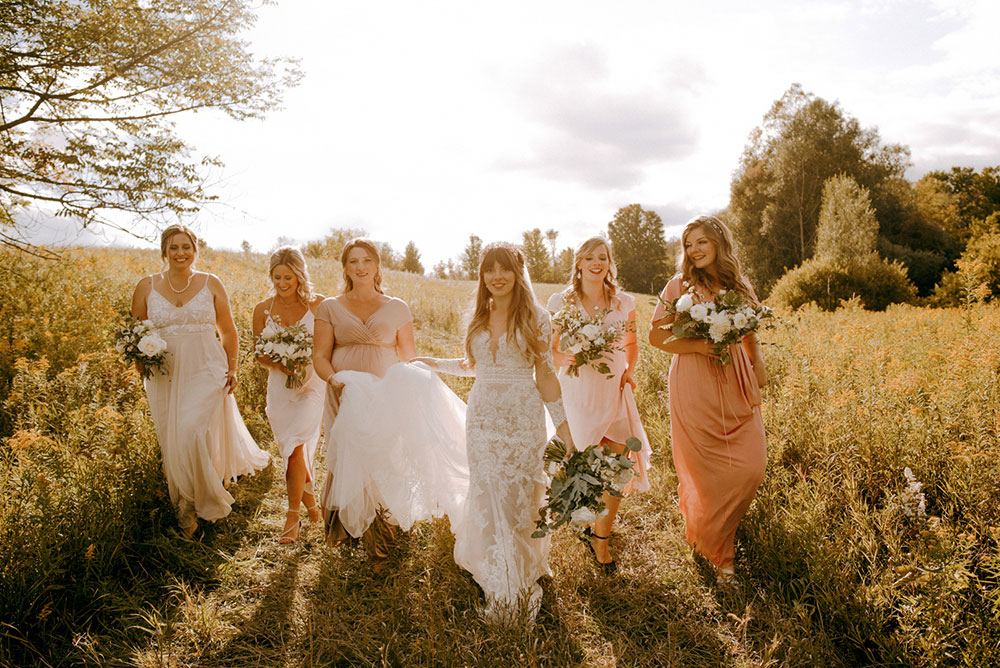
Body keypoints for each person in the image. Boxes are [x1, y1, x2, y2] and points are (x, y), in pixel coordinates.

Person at [415, 242, 575, 620]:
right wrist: (431, 363)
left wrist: (564, 426)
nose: (497, 277)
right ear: (482, 275)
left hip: (522, 417)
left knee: (520, 493)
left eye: (505, 269)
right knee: (488, 492)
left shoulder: (536, 316)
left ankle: (521, 568)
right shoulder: (478, 315)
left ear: (519, 274)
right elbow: (474, 365)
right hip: (483, 418)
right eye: (490, 270)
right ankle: (498, 573)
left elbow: (546, 373)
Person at [648, 215, 768, 585]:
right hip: (695, 379)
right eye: (688, 244)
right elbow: (656, 336)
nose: (694, 250)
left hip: (736, 377)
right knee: (704, 472)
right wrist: (701, 345)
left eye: (701, 241)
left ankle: (712, 528)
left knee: (752, 466)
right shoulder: (679, 285)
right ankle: (720, 554)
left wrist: (758, 363)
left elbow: (749, 331)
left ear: (719, 243)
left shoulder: (739, 283)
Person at [130, 224, 270, 538]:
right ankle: (188, 496)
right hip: (164, 371)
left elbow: (229, 331)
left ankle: (190, 510)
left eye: (186, 247)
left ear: (195, 250)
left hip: (207, 366)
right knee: (174, 438)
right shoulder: (146, 286)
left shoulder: (211, 283)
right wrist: (141, 362)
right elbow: (135, 331)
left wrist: (232, 368)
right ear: (164, 251)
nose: (180, 253)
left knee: (190, 432)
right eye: (174, 247)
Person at [546, 236, 652, 573]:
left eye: (602, 257)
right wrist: (568, 354)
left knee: (617, 467)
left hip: (614, 390)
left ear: (609, 263)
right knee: (584, 464)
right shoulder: (561, 301)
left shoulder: (624, 303)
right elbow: (550, 351)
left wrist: (630, 371)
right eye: (589, 257)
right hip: (578, 390)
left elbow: (632, 342)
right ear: (578, 263)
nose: (597, 263)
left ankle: (601, 540)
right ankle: (585, 519)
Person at [312, 238, 418, 565]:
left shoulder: (397, 307)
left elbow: (408, 357)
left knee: (383, 454)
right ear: (345, 267)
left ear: (377, 265)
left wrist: (402, 391)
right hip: (343, 392)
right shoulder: (329, 307)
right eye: (353, 261)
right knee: (347, 453)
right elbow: (319, 355)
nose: (360, 267)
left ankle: (383, 533)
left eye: (367, 260)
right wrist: (336, 380)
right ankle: (345, 529)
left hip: (384, 394)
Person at [252, 246, 326, 544]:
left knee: (296, 446)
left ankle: (291, 515)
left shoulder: (319, 305)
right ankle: (313, 508)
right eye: (277, 277)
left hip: (313, 384)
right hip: (280, 387)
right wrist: (281, 362)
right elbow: (258, 353)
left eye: (288, 277)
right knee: (292, 448)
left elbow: (330, 343)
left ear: (299, 275)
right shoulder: (262, 309)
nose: (283, 283)